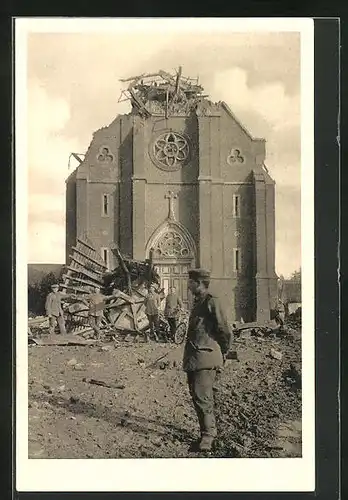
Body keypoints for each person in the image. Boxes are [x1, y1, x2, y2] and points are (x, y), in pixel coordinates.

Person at [183, 268, 232, 452]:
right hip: (196, 357)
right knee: (197, 395)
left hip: (205, 357)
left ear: (199, 283)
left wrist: (223, 351)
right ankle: (206, 431)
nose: (188, 285)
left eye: (191, 282)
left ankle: (208, 437)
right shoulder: (199, 302)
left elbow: (225, 329)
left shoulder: (211, 301)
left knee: (203, 397)